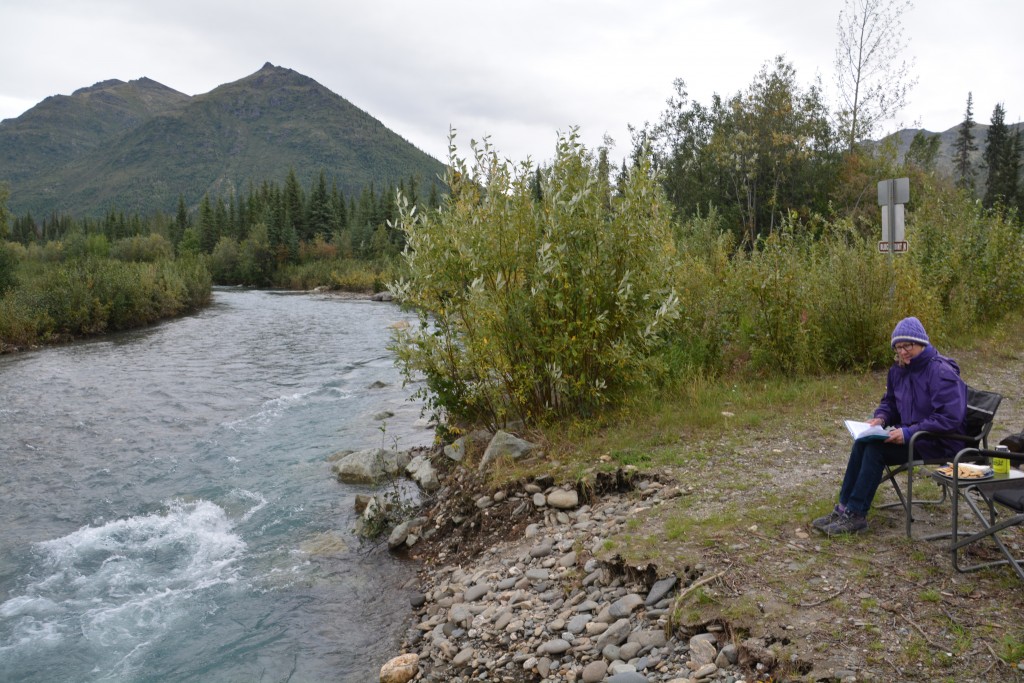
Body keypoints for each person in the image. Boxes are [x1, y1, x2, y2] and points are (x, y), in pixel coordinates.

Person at [812, 316, 968, 535]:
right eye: (898, 348)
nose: (902, 352)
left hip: (939, 441)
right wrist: (881, 419)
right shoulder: (899, 370)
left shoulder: (941, 372)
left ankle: (856, 515)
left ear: (921, 343)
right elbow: (891, 402)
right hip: (912, 435)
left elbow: (949, 418)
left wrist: (907, 432)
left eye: (907, 346)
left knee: (876, 450)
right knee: (863, 442)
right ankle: (843, 508)